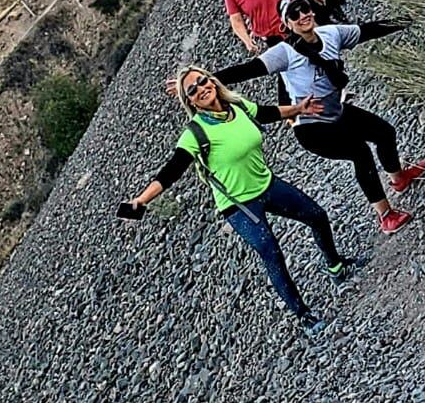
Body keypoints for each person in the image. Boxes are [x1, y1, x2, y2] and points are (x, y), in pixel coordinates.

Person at [122, 67, 351, 332]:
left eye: (202, 82)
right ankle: (303, 315)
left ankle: (336, 267)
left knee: (317, 216)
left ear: (212, 81)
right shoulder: (195, 134)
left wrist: (299, 108)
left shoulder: (238, 106)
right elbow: (172, 170)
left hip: (266, 184)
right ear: (190, 102)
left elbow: (266, 113)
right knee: (272, 253)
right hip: (238, 206)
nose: (201, 89)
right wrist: (141, 199)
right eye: (192, 90)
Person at [214, 0, 425, 234]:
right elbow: (246, 70)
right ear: (287, 24)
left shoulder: (331, 34)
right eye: (293, 14)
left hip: (336, 111)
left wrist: (407, 20)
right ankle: (386, 215)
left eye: (303, 8)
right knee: (361, 153)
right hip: (311, 127)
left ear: (311, 11)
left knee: (384, 132)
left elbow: (368, 30)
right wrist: (204, 80)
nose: (302, 15)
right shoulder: (284, 52)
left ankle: (399, 179)